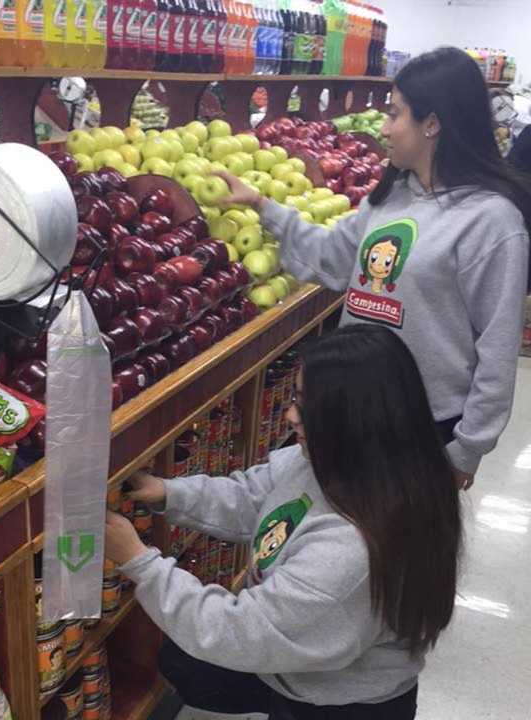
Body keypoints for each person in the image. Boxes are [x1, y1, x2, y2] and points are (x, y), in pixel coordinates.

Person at [105, 325, 462, 720]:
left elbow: (241, 630)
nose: (291, 414)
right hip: (306, 665)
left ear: (353, 419)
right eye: (295, 396)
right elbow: (255, 495)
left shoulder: (349, 551)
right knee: (182, 658)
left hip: (339, 705)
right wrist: (170, 494)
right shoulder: (345, 460)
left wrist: (139, 561)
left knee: (199, 649)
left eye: (307, 406)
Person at [217, 46, 531, 490]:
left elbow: (498, 350)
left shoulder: (491, 222)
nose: (383, 128)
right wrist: (263, 207)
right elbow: (330, 257)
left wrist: (467, 449)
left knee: (396, 550)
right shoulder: (390, 199)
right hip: (354, 409)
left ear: (432, 123)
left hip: (423, 427)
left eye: (395, 114)